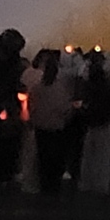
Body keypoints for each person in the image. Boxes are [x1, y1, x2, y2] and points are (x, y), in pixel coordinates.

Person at [29, 51, 75, 195]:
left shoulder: (36, 88)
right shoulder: (59, 88)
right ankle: (53, 186)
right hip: (56, 127)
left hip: (40, 126)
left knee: (43, 157)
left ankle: (44, 184)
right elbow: (64, 108)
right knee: (56, 158)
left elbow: (32, 106)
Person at [77, 60, 110, 196]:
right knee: (103, 156)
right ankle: (101, 184)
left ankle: (87, 182)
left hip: (90, 124)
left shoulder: (88, 88)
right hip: (105, 124)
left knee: (88, 155)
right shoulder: (108, 87)